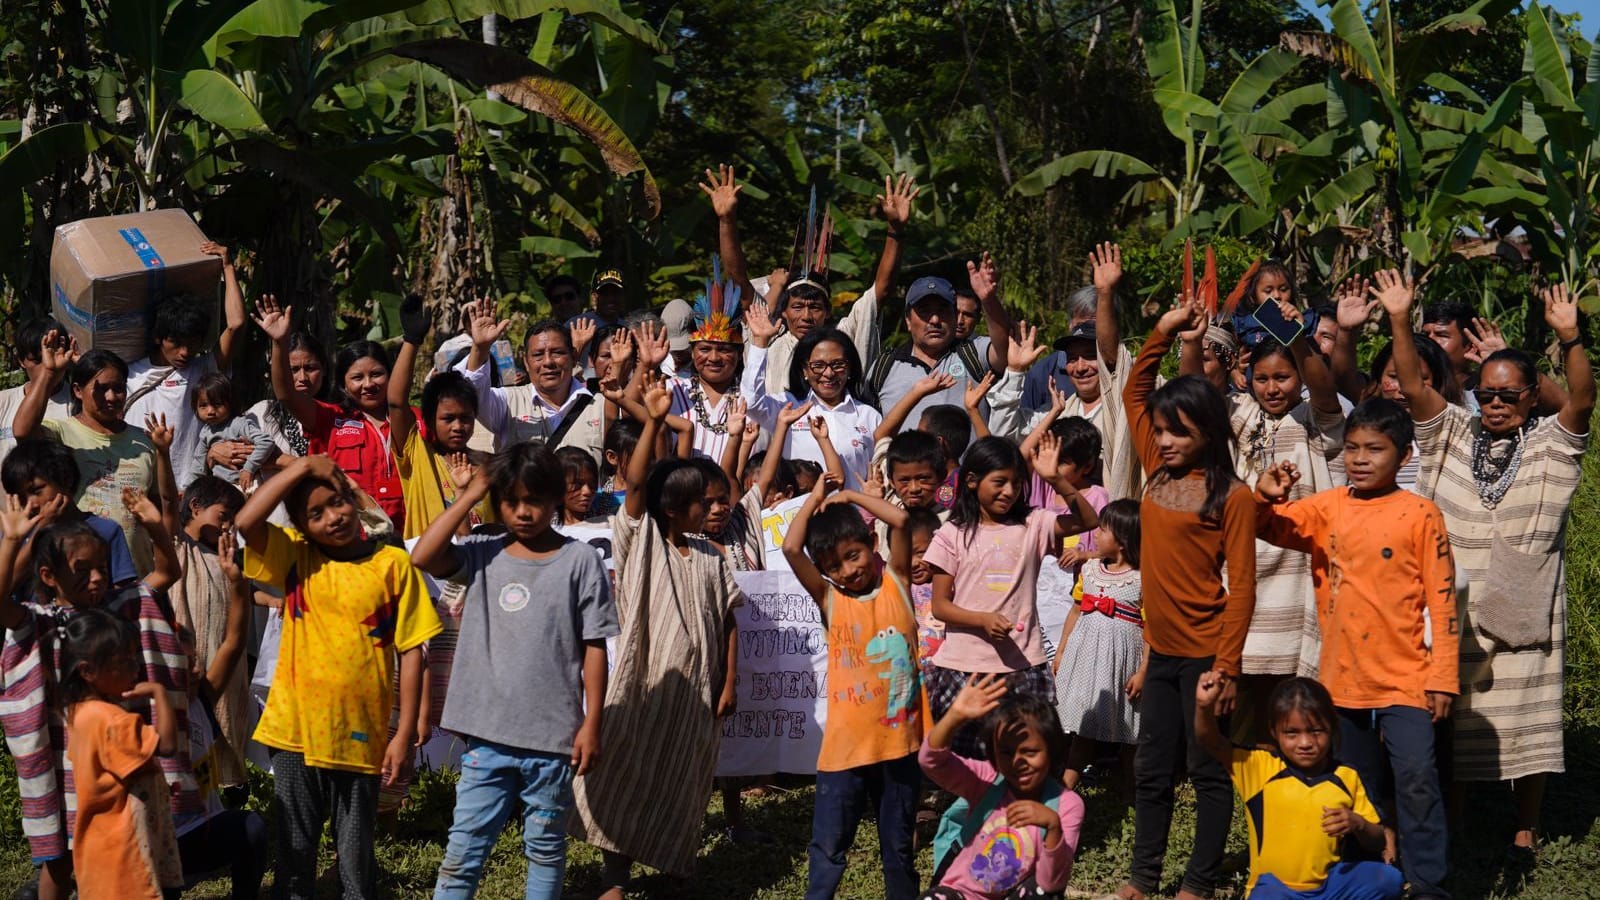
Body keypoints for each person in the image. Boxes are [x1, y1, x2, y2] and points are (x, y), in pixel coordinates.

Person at [1378, 272, 1594, 857]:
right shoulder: (1451, 430)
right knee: (1457, 714)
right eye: (1488, 394)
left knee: (1531, 712)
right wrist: (1400, 319)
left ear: (1529, 397)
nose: (1495, 404)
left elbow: (1582, 399)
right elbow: (1413, 384)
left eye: (1508, 395)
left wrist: (1571, 338)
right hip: (1456, 600)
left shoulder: (1552, 443)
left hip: (1528, 598)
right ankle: (1457, 816)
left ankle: (1526, 825)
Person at [1254, 398, 1458, 899]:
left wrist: (1443, 677)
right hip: (1342, 680)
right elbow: (1268, 528)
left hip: (1408, 678)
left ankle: (1428, 882)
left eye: (1375, 449)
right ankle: (1371, 875)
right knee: (1356, 781)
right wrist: (1265, 497)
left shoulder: (1421, 514)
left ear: (1405, 455)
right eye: (1352, 448)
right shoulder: (1327, 508)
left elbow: (1444, 600)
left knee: (1416, 777)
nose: (1361, 459)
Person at [412, 442, 617, 899]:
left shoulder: (580, 561)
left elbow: (594, 647)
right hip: (486, 736)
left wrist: (592, 723)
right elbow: (422, 556)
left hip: (552, 740)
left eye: (535, 501)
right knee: (464, 850)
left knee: (544, 848)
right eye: (511, 501)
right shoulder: (483, 551)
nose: (523, 512)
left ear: (555, 499)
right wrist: (471, 492)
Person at [235, 454, 442, 900]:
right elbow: (247, 520)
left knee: (355, 849)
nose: (333, 517)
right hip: (294, 730)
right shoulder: (294, 556)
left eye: (338, 502)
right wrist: (305, 467)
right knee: (295, 843)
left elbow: (411, 650)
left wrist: (403, 733)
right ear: (301, 526)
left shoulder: (392, 565)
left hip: (360, 733)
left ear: (353, 500)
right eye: (316, 513)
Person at [570, 371, 742, 898]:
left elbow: (730, 619)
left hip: (696, 696)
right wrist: (649, 421)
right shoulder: (642, 541)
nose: (712, 509)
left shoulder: (714, 559)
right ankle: (614, 879)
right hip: (645, 684)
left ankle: (675, 872)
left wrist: (729, 681)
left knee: (685, 784)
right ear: (673, 508)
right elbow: (639, 482)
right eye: (702, 502)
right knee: (626, 773)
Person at [1116, 300, 1257, 900]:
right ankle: (1143, 878)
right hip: (1162, 650)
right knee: (1151, 772)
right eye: (1164, 429)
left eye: (1182, 432)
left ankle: (1197, 883)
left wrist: (1226, 668)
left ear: (1208, 436)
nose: (1167, 440)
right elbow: (1133, 392)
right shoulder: (1156, 471)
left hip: (1205, 655)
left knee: (1205, 771)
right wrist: (1164, 331)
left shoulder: (1233, 497)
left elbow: (1244, 587)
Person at [0, 494, 187, 900]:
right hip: (63, 762)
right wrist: (15, 541)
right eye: (82, 570)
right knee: (60, 862)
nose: (98, 579)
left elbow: (168, 572)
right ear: (49, 577)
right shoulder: (41, 621)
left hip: (118, 760)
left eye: (101, 568)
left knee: (122, 844)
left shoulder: (122, 605)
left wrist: (156, 526)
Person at [1187, 306, 1345, 701]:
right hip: (1241, 566)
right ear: (1248, 379)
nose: (1272, 388)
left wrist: (1295, 337)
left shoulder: (1314, 419)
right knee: (1240, 685)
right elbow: (1194, 391)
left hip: (1298, 573)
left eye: (1283, 377)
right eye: (1262, 379)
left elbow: (1325, 391)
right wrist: (1191, 340)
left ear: (1300, 379)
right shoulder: (1239, 413)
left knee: (1294, 692)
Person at [783, 470, 922, 899]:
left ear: (872, 546)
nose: (847, 571)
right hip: (844, 752)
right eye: (832, 567)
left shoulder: (897, 585)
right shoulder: (832, 601)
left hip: (900, 745)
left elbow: (900, 521)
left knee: (898, 845)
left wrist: (850, 495)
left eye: (853, 555)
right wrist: (816, 498)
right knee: (829, 847)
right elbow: (791, 547)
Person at [923, 435, 1100, 758]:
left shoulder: (1035, 523)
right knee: (967, 757)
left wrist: (1056, 479)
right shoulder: (952, 533)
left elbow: (1089, 521)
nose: (1009, 491)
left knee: (1024, 751)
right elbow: (940, 605)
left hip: (1023, 663)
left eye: (1017, 483)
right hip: (966, 665)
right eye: (1000, 482)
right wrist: (982, 620)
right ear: (973, 481)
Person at [704, 166, 916, 394]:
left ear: (827, 311)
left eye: (814, 307)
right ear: (783, 312)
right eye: (797, 307)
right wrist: (726, 220)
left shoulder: (843, 337)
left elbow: (882, 291)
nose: (806, 316)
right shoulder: (767, 337)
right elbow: (738, 280)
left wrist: (895, 230)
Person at [1193, 675, 1402, 900]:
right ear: (1274, 732)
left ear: (1331, 729)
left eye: (1315, 731)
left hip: (1327, 888)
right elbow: (1210, 740)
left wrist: (1358, 823)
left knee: (1387, 879)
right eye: (1292, 733)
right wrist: (1204, 707)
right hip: (1276, 891)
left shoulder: (1346, 776)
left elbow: (1378, 840)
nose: (1305, 743)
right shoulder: (1259, 768)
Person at [12, 342, 180, 576]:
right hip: (78, 574)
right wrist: (48, 374)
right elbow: (22, 431)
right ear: (78, 391)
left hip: (135, 574)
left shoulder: (144, 441)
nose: (111, 397)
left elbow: (163, 505)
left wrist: (162, 452)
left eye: (118, 388)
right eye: (101, 389)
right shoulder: (61, 433)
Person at [920, 674, 1083, 900]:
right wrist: (954, 717)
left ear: (1052, 750)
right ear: (993, 754)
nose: (1018, 761)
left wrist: (1053, 827)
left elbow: (1052, 884)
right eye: (1006, 752)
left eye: (1030, 752)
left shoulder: (1066, 805)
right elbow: (932, 762)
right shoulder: (987, 781)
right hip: (960, 894)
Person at [255, 294, 409, 530]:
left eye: (377, 374)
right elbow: (286, 394)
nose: (368, 384)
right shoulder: (331, 418)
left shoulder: (414, 419)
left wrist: (413, 341)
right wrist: (279, 343)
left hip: (407, 537)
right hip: (347, 536)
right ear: (343, 383)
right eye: (357, 377)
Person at [60, 607, 183, 900]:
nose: (135, 667)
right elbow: (166, 745)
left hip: (100, 853)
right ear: (88, 671)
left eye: (134, 657)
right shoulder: (114, 721)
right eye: (124, 660)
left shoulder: (79, 714)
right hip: (128, 860)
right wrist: (159, 693)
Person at [124, 241, 246, 489]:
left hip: (189, 491)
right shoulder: (128, 375)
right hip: (139, 490)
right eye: (176, 343)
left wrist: (228, 266)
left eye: (192, 344)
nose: (184, 352)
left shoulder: (202, 370)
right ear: (159, 337)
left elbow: (235, 325)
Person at [1052, 498, 1145, 794]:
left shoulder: (1143, 579)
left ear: (1123, 540)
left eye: (1103, 530)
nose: (1096, 535)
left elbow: (1152, 628)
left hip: (1123, 663)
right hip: (1085, 659)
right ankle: (1065, 788)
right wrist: (1063, 650)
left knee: (1131, 732)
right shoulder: (1090, 570)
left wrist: (1144, 670)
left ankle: (1132, 794)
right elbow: (1076, 610)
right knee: (1082, 726)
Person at [387, 295, 493, 540]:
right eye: (448, 418)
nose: (458, 426)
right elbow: (395, 402)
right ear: (428, 418)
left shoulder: (489, 465)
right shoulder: (417, 454)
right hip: (431, 575)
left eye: (465, 418)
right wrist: (412, 340)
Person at [170, 477, 251, 793]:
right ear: (194, 507)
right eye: (223, 516)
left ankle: (225, 794)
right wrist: (163, 454)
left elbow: (245, 594)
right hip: (192, 666)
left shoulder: (229, 558)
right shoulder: (178, 546)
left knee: (224, 723)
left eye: (233, 521)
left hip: (225, 664)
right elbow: (165, 503)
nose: (228, 526)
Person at [454, 298, 606, 464]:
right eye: (538, 355)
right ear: (526, 362)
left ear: (574, 356)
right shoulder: (507, 402)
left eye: (557, 353)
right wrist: (481, 348)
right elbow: (471, 394)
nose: (548, 362)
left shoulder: (600, 405)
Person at [866, 255, 1010, 425]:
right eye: (924, 311)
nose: (934, 320)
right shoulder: (884, 367)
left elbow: (1005, 349)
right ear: (908, 320)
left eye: (942, 310)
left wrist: (989, 299)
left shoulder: (974, 354)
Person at [743, 315, 883, 489]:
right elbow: (751, 402)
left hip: (853, 513)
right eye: (818, 365)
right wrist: (760, 343)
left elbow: (880, 474)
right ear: (804, 370)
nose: (829, 373)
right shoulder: (788, 406)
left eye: (838, 364)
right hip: (797, 513)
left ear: (850, 368)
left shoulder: (869, 416)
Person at [2, 438, 138, 591]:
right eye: (21, 497)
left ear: (66, 480)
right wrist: (40, 530)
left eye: (36, 491)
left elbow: (122, 596)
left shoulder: (106, 530)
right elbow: (5, 587)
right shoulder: (16, 537)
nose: (31, 504)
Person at [239, 330, 329, 472]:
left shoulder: (337, 417)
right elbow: (238, 454)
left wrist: (276, 460)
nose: (302, 378)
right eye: (293, 370)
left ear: (324, 369)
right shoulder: (261, 413)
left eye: (310, 368)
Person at [0, 319, 74, 463]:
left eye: (53, 357)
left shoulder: (80, 402)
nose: (47, 366)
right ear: (21, 361)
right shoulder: (3, 401)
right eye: (37, 360)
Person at [189, 373, 274, 490]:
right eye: (203, 405)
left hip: (246, 483)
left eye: (217, 404)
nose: (210, 411)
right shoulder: (206, 432)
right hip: (222, 488)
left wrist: (249, 468)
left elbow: (266, 442)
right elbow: (198, 464)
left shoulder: (238, 424)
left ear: (230, 403)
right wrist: (189, 488)